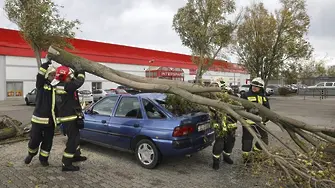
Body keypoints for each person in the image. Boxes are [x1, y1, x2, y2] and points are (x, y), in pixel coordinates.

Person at [51, 64, 87, 171]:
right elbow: (79, 82)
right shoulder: (65, 86)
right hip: (69, 118)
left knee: (76, 137)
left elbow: (73, 81)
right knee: (73, 140)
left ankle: (75, 155)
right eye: (68, 76)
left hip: (71, 116)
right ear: (63, 77)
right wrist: (81, 71)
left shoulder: (63, 84)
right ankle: (66, 163)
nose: (70, 78)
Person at [24, 59, 57, 166]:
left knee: (48, 142)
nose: (53, 77)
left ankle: (43, 159)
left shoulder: (56, 87)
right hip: (38, 120)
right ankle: (31, 154)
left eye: (54, 75)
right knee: (34, 140)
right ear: (47, 75)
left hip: (50, 122)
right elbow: (40, 76)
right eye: (51, 75)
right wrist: (45, 65)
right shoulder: (41, 86)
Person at [240, 77, 270, 163]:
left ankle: (255, 153)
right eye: (253, 85)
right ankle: (246, 158)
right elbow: (241, 108)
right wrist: (250, 111)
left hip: (260, 122)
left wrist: (265, 119)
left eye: (256, 86)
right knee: (247, 140)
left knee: (264, 138)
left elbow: (268, 109)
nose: (254, 87)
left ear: (261, 87)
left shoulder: (263, 97)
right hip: (248, 122)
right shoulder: (245, 95)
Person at [211, 85, 239, 170]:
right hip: (219, 127)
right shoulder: (214, 100)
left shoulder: (233, 99)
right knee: (219, 145)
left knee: (230, 144)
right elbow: (211, 112)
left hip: (231, 127)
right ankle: (216, 162)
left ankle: (226, 157)